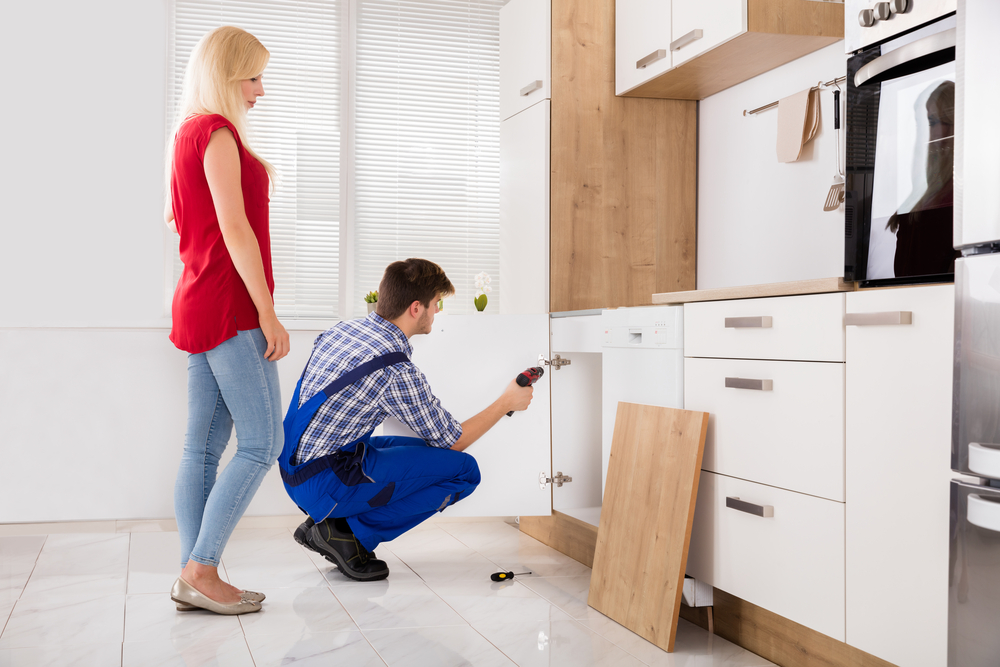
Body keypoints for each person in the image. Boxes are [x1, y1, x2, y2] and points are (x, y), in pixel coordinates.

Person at [280, 258, 533, 581]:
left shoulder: (343, 330)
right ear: (416, 308)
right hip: (324, 482)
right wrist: (506, 402)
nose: (437, 312)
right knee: (463, 470)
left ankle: (333, 524)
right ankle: (346, 534)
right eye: (436, 304)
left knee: (424, 452)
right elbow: (454, 440)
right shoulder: (394, 368)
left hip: (296, 467)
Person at [164, 26, 289, 615]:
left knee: (203, 449)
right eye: (254, 77)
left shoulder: (186, 136)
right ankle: (203, 568)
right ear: (229, 75)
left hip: (197, 300)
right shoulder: (215, 134)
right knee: (265, 443)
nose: (260, 90)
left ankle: (196, 575)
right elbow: (236, 230)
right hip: (230, 305)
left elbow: (180, 222)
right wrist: (268, 312)